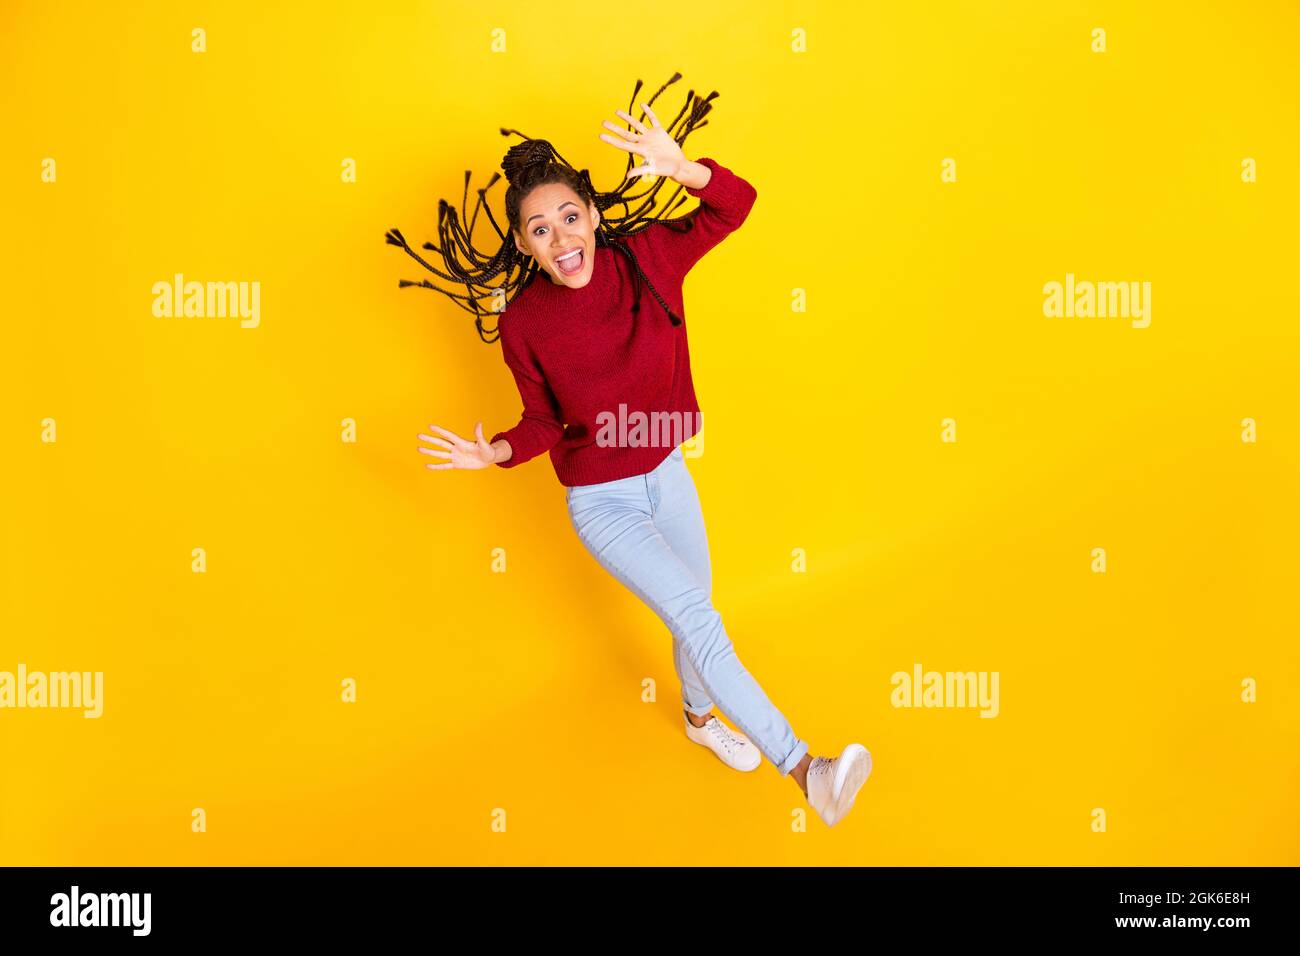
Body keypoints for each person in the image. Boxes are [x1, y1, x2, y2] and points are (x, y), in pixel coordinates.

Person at [393, 74, 872, 826]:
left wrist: (685, 171)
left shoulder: (648, 259)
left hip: (666, 471)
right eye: (539, 229)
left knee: (695, 615)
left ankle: (698, 718)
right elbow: (545, 421)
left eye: (569, 217)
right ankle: (806, 768)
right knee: (701, 619)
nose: (561, 238)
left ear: (592, 215)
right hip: (603, 501)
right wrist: (500, 454)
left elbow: (736, 207)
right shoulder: (524, 323)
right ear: (523, 244)